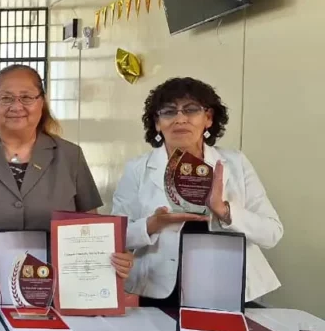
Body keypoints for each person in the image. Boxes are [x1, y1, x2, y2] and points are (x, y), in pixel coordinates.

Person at [0, 64, 134, 310]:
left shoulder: (70, 156)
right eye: (6, 98)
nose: (16, 106)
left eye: (27, 97)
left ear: (42, 102)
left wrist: (113, 255)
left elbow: (90, 230)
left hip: (60, 296)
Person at [112, 77, 283, 304]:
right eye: (169, 112)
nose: (180, 119)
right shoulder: (138, 169)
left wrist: (224, 211)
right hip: (159, 289)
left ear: (208, 118)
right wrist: (153, 224)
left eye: (191, 110)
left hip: (231, 287)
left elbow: (272, 233)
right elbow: (116, 236)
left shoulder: (235, 163)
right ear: (157, 122)